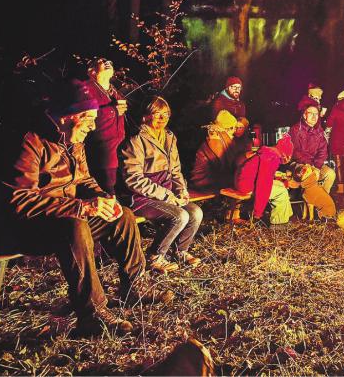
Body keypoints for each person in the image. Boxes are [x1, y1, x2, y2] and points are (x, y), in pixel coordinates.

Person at [0, 80, 168, 337]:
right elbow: (20, 200)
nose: (93, 125)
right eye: (88, 118)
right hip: (30, 227)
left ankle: (135, 287)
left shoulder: (73, 140)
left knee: (123, 217)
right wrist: (83, 207)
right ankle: (92, 315)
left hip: (71, 216)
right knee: (73, 225)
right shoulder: (30, 143)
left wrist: (102, 199)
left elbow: (84, 180)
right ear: (70, 116)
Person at [122, 97, 203, 273]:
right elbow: (133, 178)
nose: (163, 118)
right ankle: (154, 256)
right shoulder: (136, 140)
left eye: (166, 114)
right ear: (145, 116)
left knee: (195, 212)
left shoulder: (169, 136)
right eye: (157, 114)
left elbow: (175, 169)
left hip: (166, 193)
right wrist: (167, 196)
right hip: (141, 197)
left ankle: (179, 251)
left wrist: (181, 191)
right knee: (179, 216)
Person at [84, 57, 127, 194]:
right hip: (101, 155)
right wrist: (112, 110)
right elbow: (83, 115)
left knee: (122, 196)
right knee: (108, 196)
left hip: (120, 154)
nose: (108, 62)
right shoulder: (86, 89)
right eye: (102, 61)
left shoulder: (114, 91)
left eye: (110, 61)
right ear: (92, 71)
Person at [234, 136, 294, 225]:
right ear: (285, 154)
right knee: (281, 192)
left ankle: (286, 216)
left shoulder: (268, 152)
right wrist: (258, 212)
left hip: (243, 180)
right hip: (246, 185)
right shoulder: (272, 158)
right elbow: (263, 184)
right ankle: (279, 223)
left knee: (280, 185)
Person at [289, 96, 336, 194]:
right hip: (298, 164)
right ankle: (309, 202)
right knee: (309, 174)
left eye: (316, 114)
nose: (314, 117)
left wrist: (317, 167)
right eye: (311, 114)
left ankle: (321, 200)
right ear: (304, 115)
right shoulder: (296, 130)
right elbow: (295, 152)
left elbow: (322, 152)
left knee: (330, 174)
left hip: (315, 165)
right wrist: (311, 166)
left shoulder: (319, 131)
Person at [190, 110, 237, 191]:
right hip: (205, 181)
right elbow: (223, 165)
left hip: (211, 177)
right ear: (227, 128)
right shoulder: (215, 140)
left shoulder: (221, 137)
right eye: (233, 127)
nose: (235, 130)